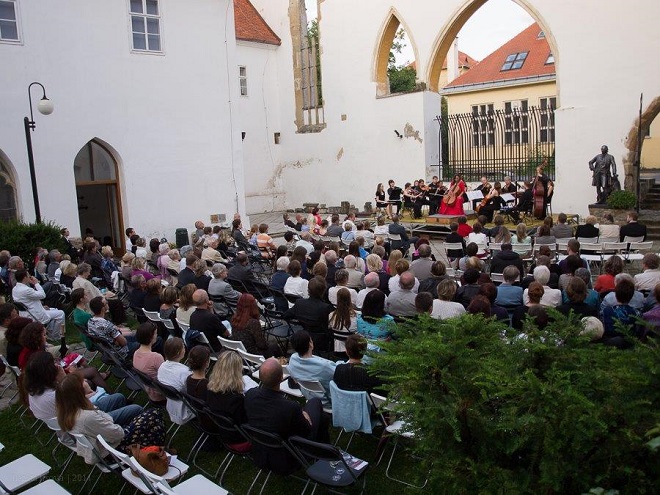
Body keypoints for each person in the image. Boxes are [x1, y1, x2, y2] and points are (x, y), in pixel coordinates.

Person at [55, 373, 166, 465]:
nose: (86, 380)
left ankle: (151, 444)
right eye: (82, 382)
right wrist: (112, 422)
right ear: (79, 393)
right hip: (113, 450)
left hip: (104, 440)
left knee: (123, 402)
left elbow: (104, 420)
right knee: (152, 414)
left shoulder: (67, 411)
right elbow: (118, 433)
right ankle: (156, 451)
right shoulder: (86, 417)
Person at [244, 358, 327, 475]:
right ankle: (325, 452)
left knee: (321, 416)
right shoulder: (289, 407)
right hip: (290, 456)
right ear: (281, 378)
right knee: (315, 402)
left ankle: (325, 448)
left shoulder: (250, 395)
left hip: (261, 451)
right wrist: (305, 416)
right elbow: (307, 430)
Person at [24, 351, 141, 427]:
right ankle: (130, 425)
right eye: (53, 363)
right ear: (48, 371)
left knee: (119, 397)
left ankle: (123, 418)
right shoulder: (57, 395)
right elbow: (85, 403)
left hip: (75, 418)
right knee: (137, 408)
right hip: (86, 422)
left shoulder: (34, 391)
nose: (57, 365)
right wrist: (65, 378)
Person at [205, 351, 253, 450]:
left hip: (223, 434)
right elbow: (246, 424)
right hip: (241, 440)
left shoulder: (210, 390)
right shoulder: (236, 400)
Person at [11, 269, 66, 344]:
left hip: (27, 312)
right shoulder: (26, 290)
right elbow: (43, 295)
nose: (30, 277)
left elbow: (29, 301)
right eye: (28, 276)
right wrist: (36, 283)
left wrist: (42, 307)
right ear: (24, 278)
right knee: (60, 313)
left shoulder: (15, 289)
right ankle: (54, 336)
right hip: (34, 315)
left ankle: (49, 331)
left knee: (54, 309)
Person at [283, 277, 333, 352]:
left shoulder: (300, 303)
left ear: (308, 290)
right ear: (324, 291)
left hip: (304, 338)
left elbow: (286, 315)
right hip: (321, 341)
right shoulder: (326, 308)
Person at [286, 330, 337, 400]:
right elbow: (339, 375)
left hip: (310, 397)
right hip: (329, 400)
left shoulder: (293, 360)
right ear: (310, 344)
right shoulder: (324, 367)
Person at [156, 337, 195, 424]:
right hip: (187, 410)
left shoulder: (162, 367)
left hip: (172, 408)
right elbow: (194, 393)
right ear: (178, 352)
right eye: (183, 347)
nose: (185, 349)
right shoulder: (185, 372)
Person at [132, 322, 165, 404]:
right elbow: (167, 376)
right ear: (151, 337)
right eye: (156, 334)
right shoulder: (156, 357)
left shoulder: (136, 353)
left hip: (150, 391)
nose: (157, 335)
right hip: (163, 393)